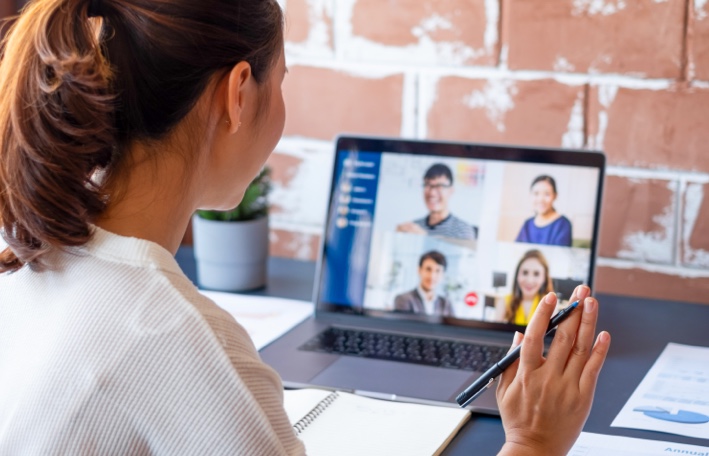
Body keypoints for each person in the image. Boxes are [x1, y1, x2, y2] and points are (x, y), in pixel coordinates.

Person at [0, 1, 610, 454]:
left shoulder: (26, 255)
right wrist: (532, 441)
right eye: (282, 79)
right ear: (238, 93)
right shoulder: (175, 341)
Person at [396, 163, 477, 241]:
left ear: (451, 191)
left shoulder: (463, 230)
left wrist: (424, 239)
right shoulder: (414, 227)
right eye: (427, 185)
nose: (432, 193)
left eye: (439, 186)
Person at [515, 175, 573, 247]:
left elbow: (560, 256)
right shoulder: (527, 223)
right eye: (536, 193)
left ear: (555, 196)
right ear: (530, 195)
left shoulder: (563, 224)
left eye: (547, 194)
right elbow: (516, 250)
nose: (541, 199)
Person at [393, 250, 452, 316]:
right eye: (428, 269)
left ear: (443, 275)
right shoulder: (404, 299)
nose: (432, 276)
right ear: (419, 270)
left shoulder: (446, 304)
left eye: (437, 271)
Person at [504, 249, 554, 325]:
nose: (530, 280)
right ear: (517, 275)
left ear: (544, 278)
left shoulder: (550, 305)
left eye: (536, 274)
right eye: (525, 272)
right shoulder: (504, 302)